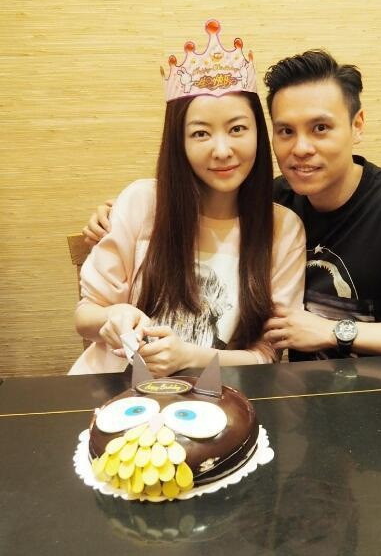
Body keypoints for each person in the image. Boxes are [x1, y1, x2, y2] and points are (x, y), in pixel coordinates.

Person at [83, 49, 381, 362]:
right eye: (286, 131)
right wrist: (122, 213)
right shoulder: (270, 202)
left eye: (320, 128)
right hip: (295, 396)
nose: (301, 148)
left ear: (357, 126)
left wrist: (335, 332)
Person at [70, 20, 306, 376]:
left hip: (214, 398)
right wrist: (112, 316)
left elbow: (267, 354)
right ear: (179, 142)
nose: (222, 150)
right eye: (200, 134)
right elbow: (85, 316)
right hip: (116, 390)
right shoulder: (141, 202)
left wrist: (192, 357)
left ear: (260, 133)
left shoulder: (283, 228)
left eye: (237, 129)